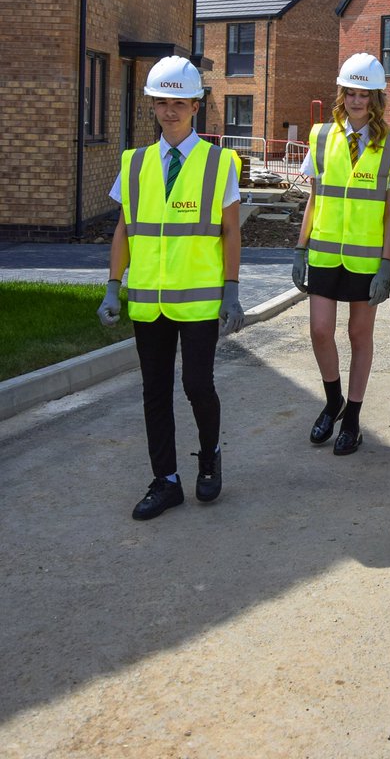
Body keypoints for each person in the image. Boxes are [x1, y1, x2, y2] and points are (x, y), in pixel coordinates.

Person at [97, 56, 245, 521]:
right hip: (147, 300)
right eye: (161, 102)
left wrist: (232, 289)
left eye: (179, 103)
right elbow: (124, 229)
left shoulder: (219, 163)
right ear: (153, 106)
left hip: (199, 299)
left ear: (196, 106)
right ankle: (166, 481)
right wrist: (112, 286)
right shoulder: (135, 163)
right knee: (154, 392)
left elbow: (231, 231)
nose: (169, 111)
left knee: (197, 385)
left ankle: (210, 457)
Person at [292, 53, 390, 456]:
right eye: (351, 93)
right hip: (324, 253)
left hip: (366, 260)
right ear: (342, 94)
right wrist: (300, 248)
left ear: (377, 98)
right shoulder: (322, 137)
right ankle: (333, 401)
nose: (357, 101)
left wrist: (387, 265)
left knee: (360, 335)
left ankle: (353, 418)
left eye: (365, 94)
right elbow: (314, 198)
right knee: (320, 330)